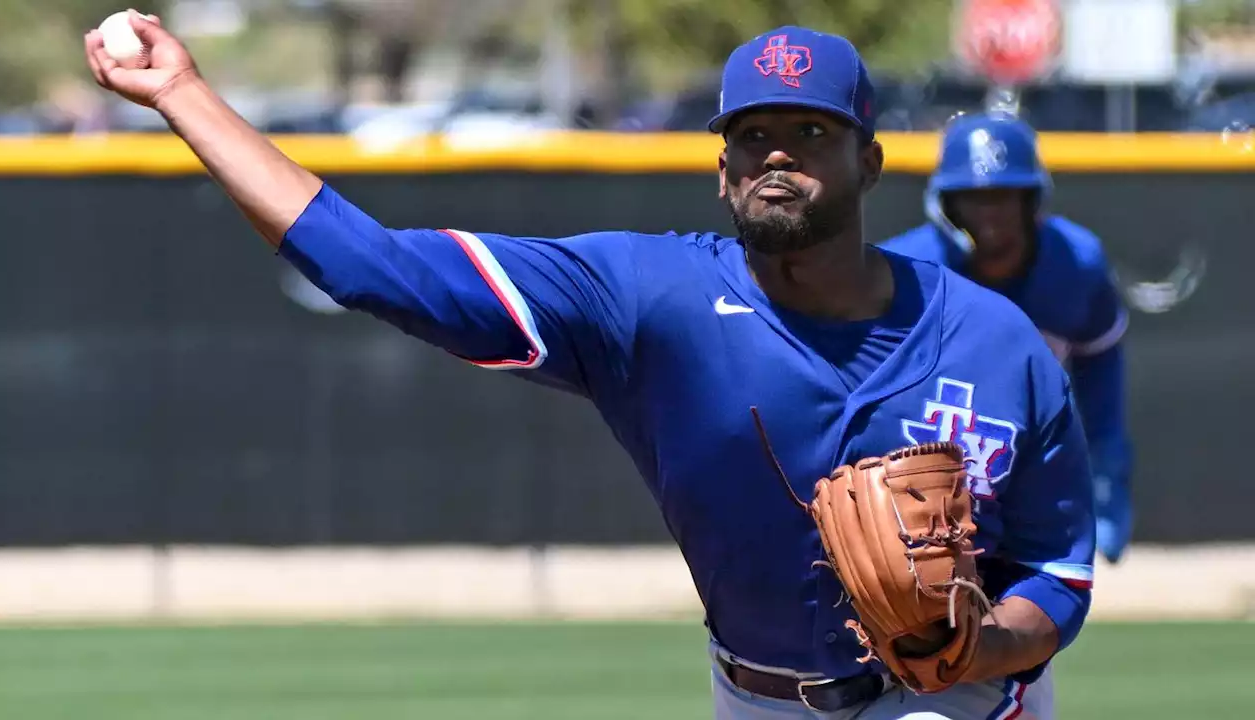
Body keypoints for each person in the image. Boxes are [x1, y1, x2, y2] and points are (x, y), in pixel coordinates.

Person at [84, 16, 1094, 719]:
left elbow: (1054, 571)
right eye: (750, 136)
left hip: (955, 704)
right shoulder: (642, 300)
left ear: (867, 163)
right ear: (720, 167)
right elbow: (369, 266)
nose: (774, 155)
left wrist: (978, 646)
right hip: (754, 696)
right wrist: (181, 94)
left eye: (808, 132)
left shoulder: (989, 340)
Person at [880, 112, 1134, 564]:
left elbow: (1100, 363)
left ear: (1033, 201)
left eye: (1005, 196)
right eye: (974, 198)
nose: (990, 213)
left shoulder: (1076, 265)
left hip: (1022, 454)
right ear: (946, 205)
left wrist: (1107, 478)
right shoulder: (906, 270)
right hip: (926, 456)